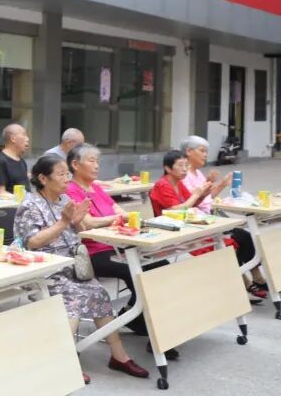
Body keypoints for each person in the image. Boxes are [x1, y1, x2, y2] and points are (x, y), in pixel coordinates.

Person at [14, 154, 150, 382]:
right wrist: (64, 222)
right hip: (45, 269)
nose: (67, 179)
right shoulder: (30, 205)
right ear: (43, 179)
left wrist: (78, 221)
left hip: (73, 266)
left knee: (99, 293)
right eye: (61, 174)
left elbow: (83, 228)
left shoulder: (64, 200)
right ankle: (63, 360)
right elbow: (32, 242)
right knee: (74, 299)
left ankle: (119, 356)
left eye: (67, 174)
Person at [65, 144, 170, 349]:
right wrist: (117, 218)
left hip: (119, 245)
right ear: (75, 165)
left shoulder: (96, 188)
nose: (97, 166)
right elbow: (88, 222)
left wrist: (125, 217)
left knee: (160, 265)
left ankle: (137, 316)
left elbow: (119, 211)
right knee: (137, 271)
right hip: (93, 252)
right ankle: (154, 331)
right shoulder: (71, 191)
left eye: (98, 161)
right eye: (91, 161)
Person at [180, 136, 267, 299]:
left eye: (206, 151)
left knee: (245, 236)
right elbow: (193, 201)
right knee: (234, 240)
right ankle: (244, 282)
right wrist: (211, 186)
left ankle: (256, 277)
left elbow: (207, 197)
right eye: (202, 151)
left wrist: (222, 184)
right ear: (189, 152)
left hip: (209, 218)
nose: (205, 155)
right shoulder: (184, 176)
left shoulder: (198, 173)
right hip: (198, 223)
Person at [148, 150, 213, 218]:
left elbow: (190, 204)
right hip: (165, 222)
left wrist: (202, 195)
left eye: (186, 165)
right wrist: (196, 195)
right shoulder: (162, 185)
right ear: (168, 169)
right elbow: (178, 211)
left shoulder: (178, 182)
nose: (185, 169)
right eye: (180, 165)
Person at [0, 123, 30, 194]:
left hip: (26, 199)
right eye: (24, 135)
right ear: (13, 138)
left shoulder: (21, 160)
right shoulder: (0, 161)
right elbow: (0, 192)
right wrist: (20, 198)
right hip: (13, 201)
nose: (27, 139)